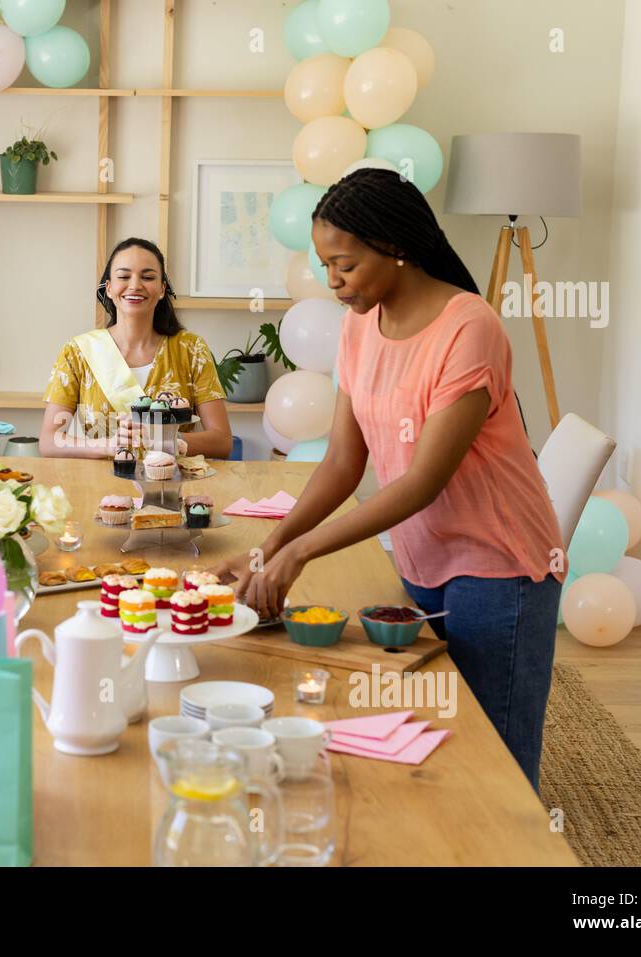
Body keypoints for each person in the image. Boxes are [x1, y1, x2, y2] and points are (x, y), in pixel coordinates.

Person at [215, 168, 564, 790]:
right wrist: (266, 550)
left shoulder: (469, 327)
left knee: (499, 771)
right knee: (434, 744)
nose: (333, 282)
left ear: (396, 246)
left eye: (344, 264)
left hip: (499, 567)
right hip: (422, 557)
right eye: (325, 266)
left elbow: (423, 481)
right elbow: (343, 464)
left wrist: (300, 552)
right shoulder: (359, 325)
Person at [40, 237, 232, 459]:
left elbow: (222, 441)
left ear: (162, 289)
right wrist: (107, 445)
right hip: (99, 488)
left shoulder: (191, 349)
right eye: (123, 276)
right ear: (109, 288)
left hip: (171, 486)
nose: (134, 285)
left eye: (147, 277)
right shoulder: (77, 352)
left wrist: (165, 440)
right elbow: (48, 441)